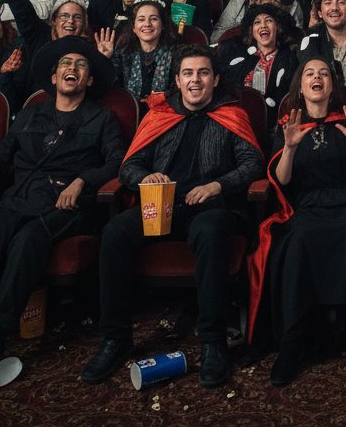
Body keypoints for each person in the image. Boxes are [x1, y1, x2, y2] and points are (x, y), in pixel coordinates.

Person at [0, 38, 123, 396]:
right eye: (66, 64)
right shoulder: (32, 113)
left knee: (27, 240)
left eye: (81, 66)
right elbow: (1, 153)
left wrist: (83, 180)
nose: (73, 68)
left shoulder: (101, 118)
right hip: (20, 197)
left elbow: (117, 161)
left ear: (89, 81)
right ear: (53, 78)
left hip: (64, 203)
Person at [82, 45, 264, 389]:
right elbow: (129, 167)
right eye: (188, 74)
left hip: (211, 208)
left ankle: (213, 342)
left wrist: (217, 185)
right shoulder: (160, 115)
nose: (196, 80)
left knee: (211, 233)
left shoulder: (232, 114)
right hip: (160, 206)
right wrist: (143, 178)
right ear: (178, 80)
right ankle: (115, 339)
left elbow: (252, 163)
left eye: (203, 73)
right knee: (115, 232)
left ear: (216, 79)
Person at [254, 57, 346, 386]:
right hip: (308, 206)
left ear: (332, 85)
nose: (317, 78)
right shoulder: (289, 123)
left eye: (324, 74)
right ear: (300, 87)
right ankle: (293, 341)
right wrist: (288, 148)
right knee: (299, 238)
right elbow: (282, 182)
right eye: (310, 74)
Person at [218, 3, 301, 107]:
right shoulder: (240, 58)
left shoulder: (290, 59)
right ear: (251, 30)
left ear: (278, 27)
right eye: (257, 22)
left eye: (269, 20)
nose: (263, 25)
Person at [110, 0, 179, 100]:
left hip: (165, 110)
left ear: (163, 24)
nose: (147, 24)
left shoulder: (176, 54)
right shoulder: (123, 53)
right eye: (141, 19)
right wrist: (105, 58)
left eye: (153, 19)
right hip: (131, 109)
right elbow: (112, 88)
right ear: (134, 27)